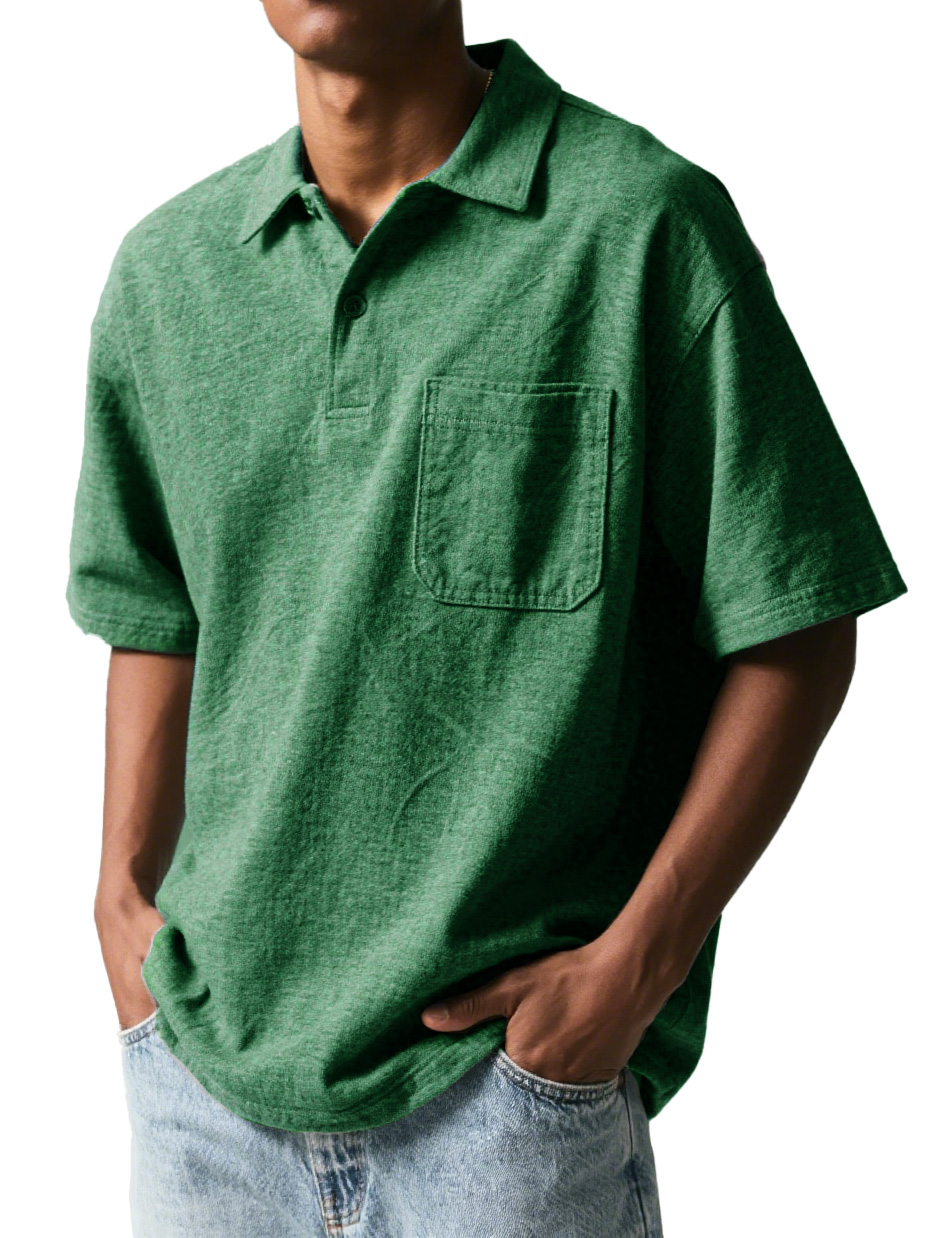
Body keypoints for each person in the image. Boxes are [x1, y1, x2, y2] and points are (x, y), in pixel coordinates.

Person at [65, 2, 908, 1235]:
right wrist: (120, 898)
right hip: (203, 1095)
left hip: (502, 1111)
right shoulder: (169, 272)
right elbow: (154, 607)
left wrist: (638, 962)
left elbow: (794, 615)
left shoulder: (639, 227)